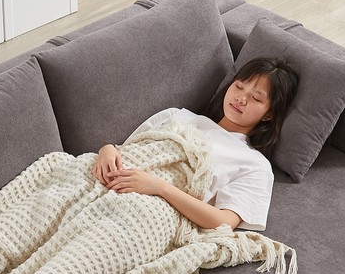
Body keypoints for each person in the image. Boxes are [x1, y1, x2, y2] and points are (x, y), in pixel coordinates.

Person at [92, 57, 298, 231]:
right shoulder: (177, 115)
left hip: (147, 213)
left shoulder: (255, 164)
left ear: (269, 114)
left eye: (255, 98)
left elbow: (225, 221)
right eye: (239, 86)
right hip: (108, 179)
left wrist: (160, 187)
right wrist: (106, 149)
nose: (241, 98)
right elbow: (130, 149)